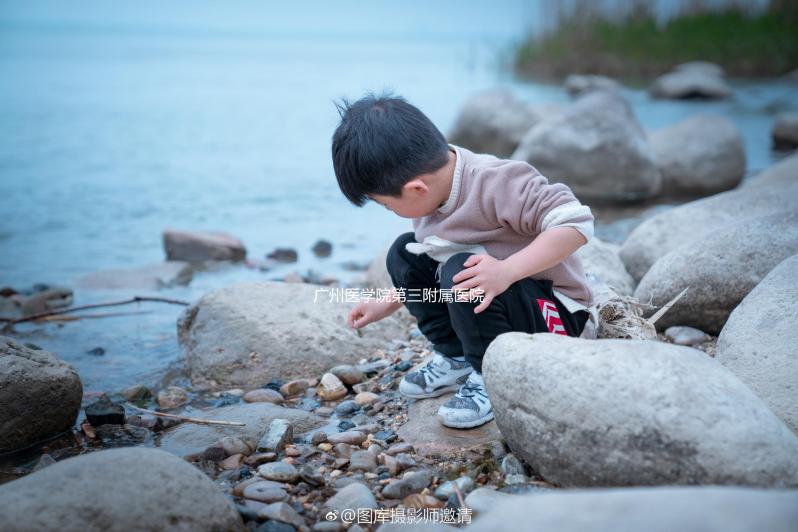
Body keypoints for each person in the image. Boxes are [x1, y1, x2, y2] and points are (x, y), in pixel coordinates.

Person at [331, 92, 594, 429]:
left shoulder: (499, 182)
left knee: (461, 273)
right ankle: (457, 356)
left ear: (416, 189)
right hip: (497, 300)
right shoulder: (434, 190)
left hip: (555, 313)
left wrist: (507, 271)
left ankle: (491, 375)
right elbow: (437, 251)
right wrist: (389, 302)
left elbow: (576, 222)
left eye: (385, 205)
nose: (391, 212)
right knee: (404, 253)